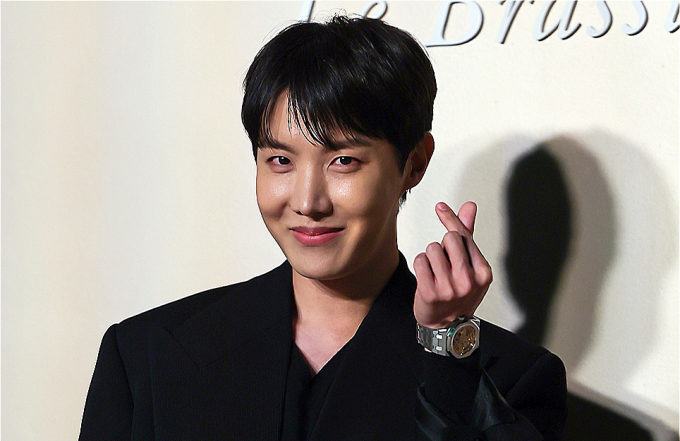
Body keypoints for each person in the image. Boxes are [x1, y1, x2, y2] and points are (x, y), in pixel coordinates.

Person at [79, 15, 567, 441]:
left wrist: (444, 347)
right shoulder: (146, 355)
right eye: (280, 160)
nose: (307, 202)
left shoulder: (512, 379)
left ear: (414, 163)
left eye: (343, 161)